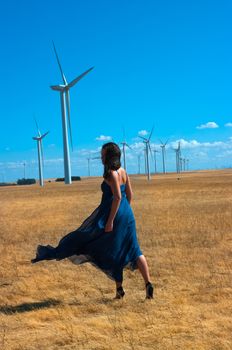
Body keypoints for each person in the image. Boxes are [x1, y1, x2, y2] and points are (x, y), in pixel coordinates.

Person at [31, 142, 154, 299]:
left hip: (114, 216)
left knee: (109, 249)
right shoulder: (123, 171)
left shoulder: (111, 173)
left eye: (103, 155)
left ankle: (120, 290)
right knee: (135, 250)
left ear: (109, 157)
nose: (101, 158)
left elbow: (117, 197)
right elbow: (129, 195)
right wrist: (125, 211)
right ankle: (147, 284)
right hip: (127, 215)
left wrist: (110, 221)